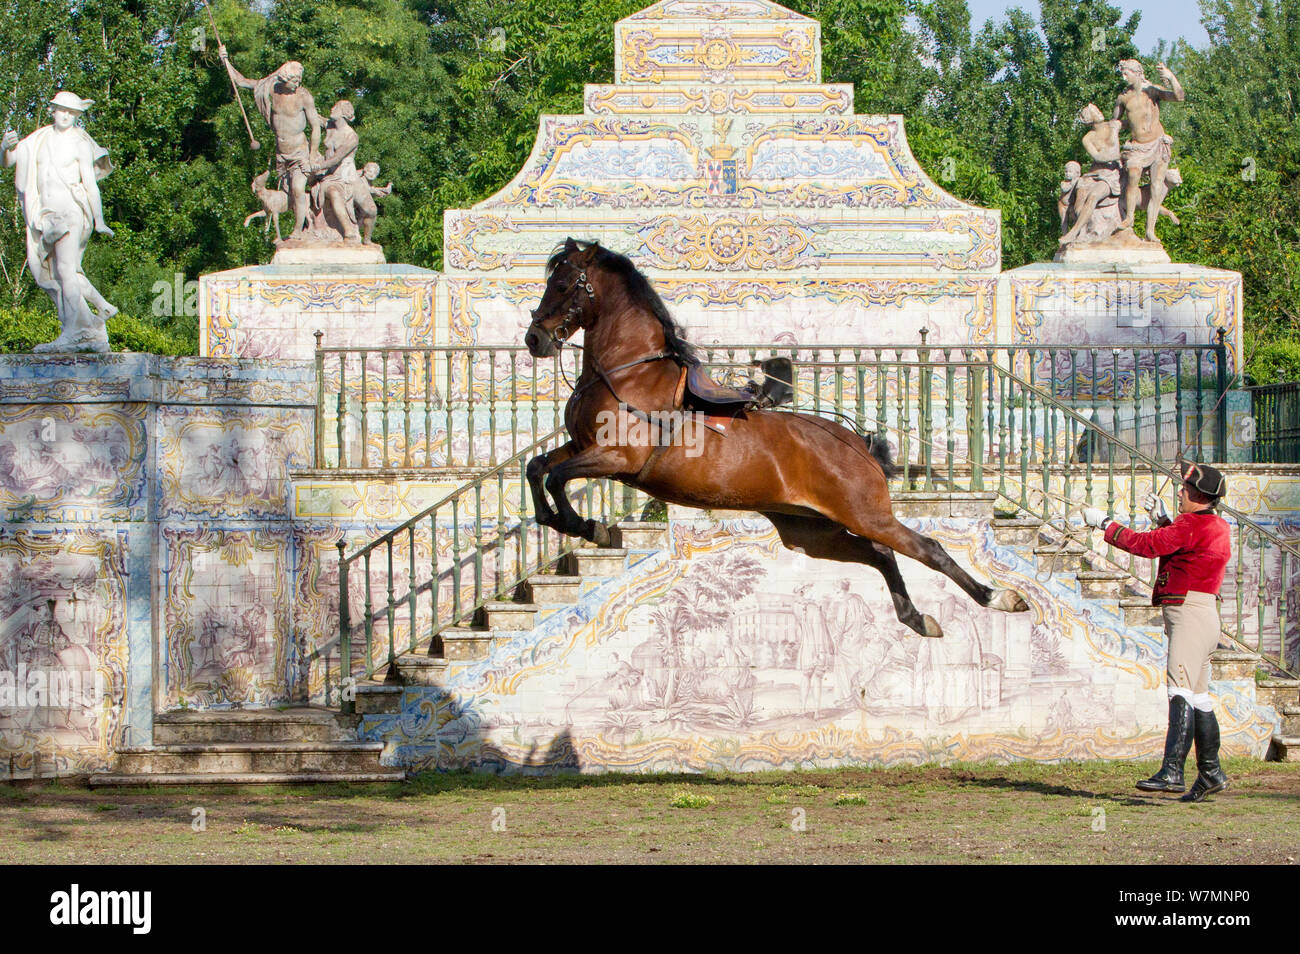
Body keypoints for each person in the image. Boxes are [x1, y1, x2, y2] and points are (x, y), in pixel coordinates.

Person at [1083, 461, 1232, 802]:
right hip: (1205, 614)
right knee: (1199, 697)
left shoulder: (1191, 526)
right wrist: (1164, 520)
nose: (1179, 491)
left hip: (1189, 615)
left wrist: (1104, 524)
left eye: (1184, 488)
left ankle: (1173, 771)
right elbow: (1180, 550)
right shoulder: (1215, 526)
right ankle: (1210, 772)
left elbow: (1145, 546)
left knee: (1178, 691)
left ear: (1197, 495)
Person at [1, 91, 116, 353]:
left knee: (65, 271)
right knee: (58, 273)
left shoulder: (80, 143)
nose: (66, 115)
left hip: (71, 211)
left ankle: (76, 332)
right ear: (53, 110)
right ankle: (93, 326)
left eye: (72, 112)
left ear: (77, 116)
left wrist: (99, 220)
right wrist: (4, 147)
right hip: (46, 216)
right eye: (61, 110)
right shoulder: (38, 139)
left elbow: (90, 184)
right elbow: (8, 162)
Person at [219, 46, 321, 237]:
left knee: (299, 190)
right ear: (283, 79)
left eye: (299, 80)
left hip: (300, 152)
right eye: (293, 81)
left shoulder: (303, 96)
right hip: (281, 154)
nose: (297, 84)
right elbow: (241, 82)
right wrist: (226, 60)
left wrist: (313, 155)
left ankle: (298, 231)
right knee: (288, 195)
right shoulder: (271, 89)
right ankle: (306, 227)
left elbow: (315, 126)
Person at [1113, 59, 1184, 242]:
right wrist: (1112, 127)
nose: (1123, 77)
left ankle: (1150, 231)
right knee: (1133, 173)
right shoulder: (1123, 97)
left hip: (1157, 144)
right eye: (1122, 73)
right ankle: (1129, 217)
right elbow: (1117, 122)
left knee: (1156, 188)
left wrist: (1170, 77)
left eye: (1126, 73)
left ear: (1137, 73)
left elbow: (1179, 97)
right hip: (1137, 145)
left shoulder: (1152, 91)